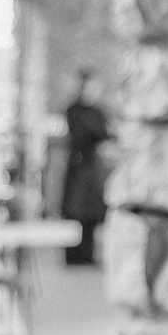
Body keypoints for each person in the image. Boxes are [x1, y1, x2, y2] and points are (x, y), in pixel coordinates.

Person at [56, 67, 110, 267]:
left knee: (91, 213)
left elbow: (103, 132)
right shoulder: (74, 110)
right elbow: (87, 133)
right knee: (76, 210)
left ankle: (88, 253)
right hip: (79, 165)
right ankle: (73, 255)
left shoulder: (97, 111)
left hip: (92, 166)